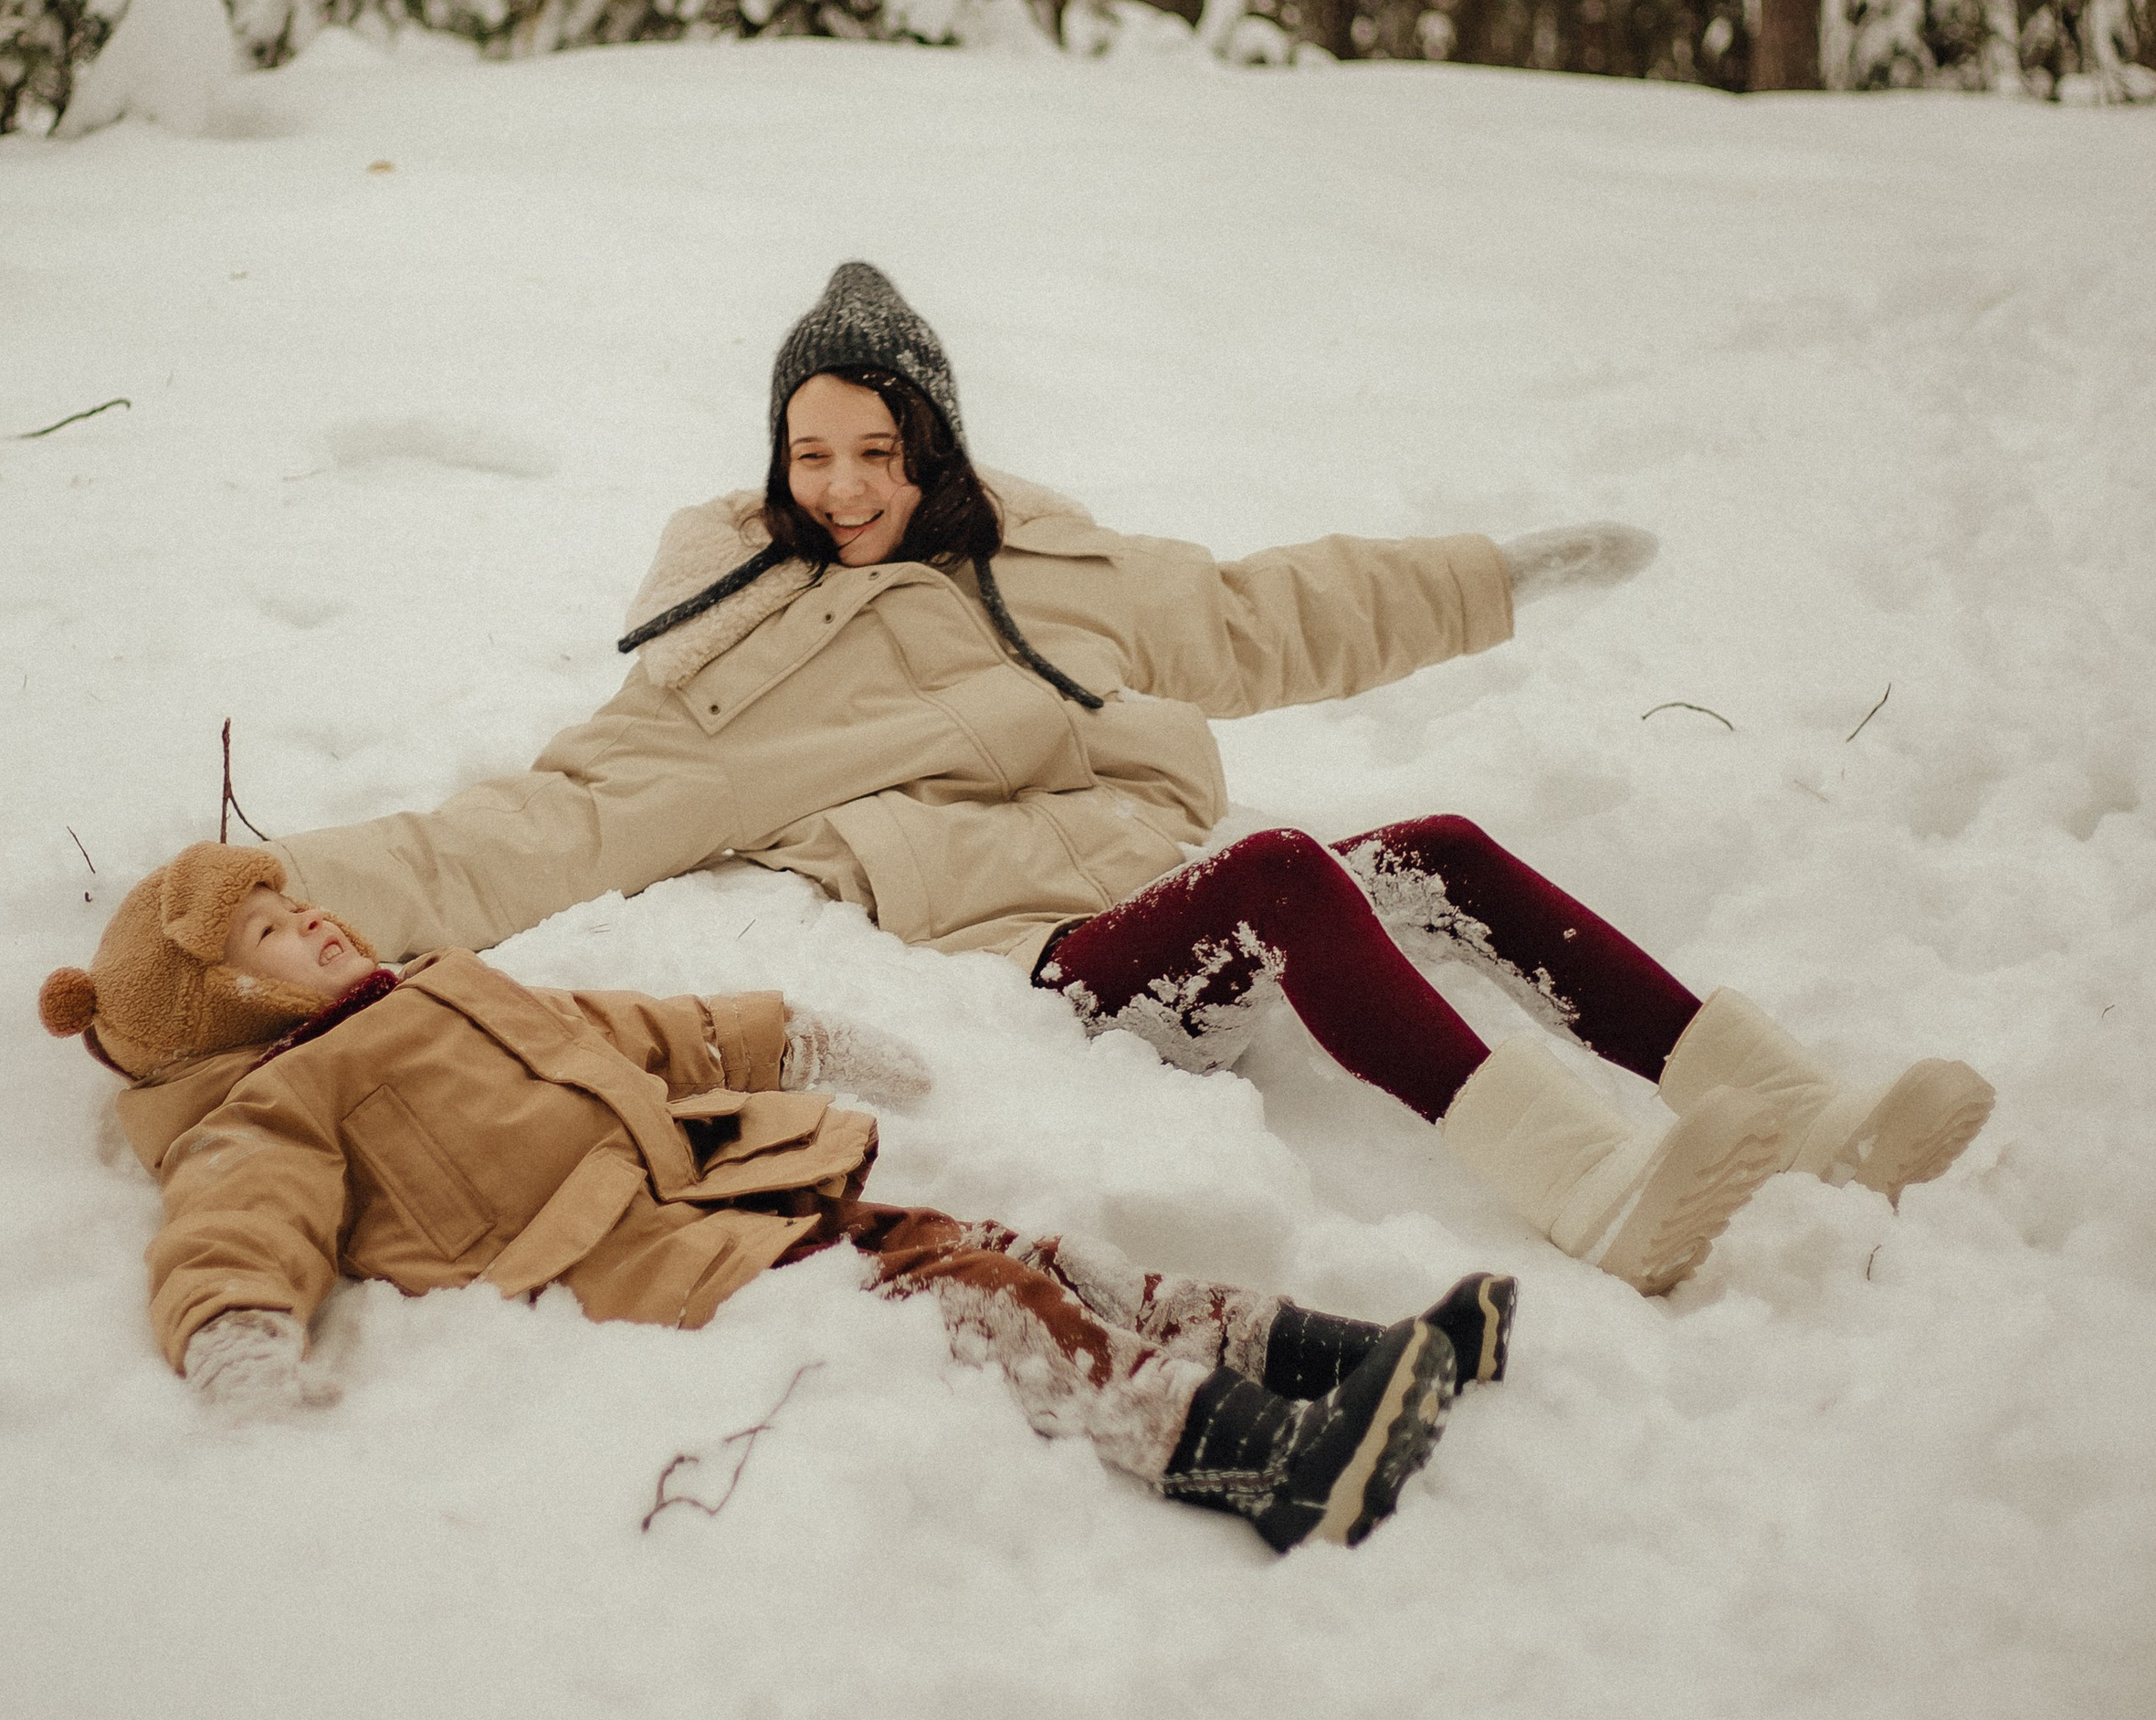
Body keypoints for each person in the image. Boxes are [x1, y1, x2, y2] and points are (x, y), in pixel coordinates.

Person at [264, 262, 1994, 1300]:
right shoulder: (734, 656)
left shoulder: (1058, 565)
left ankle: (1793, 1113)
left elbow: (1262, 615)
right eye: (812, 452)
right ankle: (1597, 1196)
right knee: (1294, 877)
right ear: (774, 457)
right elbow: (538, 824)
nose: (847, 485)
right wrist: (271, 902)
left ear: (933, 440)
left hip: (1157, 906)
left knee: (1441, 848)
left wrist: (1494, 578)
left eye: (879, 448)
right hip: (1043, 973)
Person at [40, 842, 1515, 1555]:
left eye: (304, 903)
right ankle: (1257, 1456)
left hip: (727, 1185)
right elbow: (235, 1220)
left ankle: (1336, 1356)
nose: (318, 922)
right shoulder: (274, 1102)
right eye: (279, 938)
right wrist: (235, 1325)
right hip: (647, 1255)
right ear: (229, 1006)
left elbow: (627, 1031)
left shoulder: (442, 990)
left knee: (1022, 1250)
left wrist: (782, 1033)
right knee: (977, 1299)